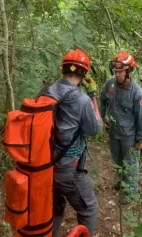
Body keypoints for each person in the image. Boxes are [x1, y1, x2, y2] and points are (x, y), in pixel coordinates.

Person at [42, 49, 104, 237]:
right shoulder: (82, 99)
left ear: (63, 70)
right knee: (89, 208)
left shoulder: (46, 91)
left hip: (44, 165)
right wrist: (93, 95)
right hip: (67, 169)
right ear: (84, 74)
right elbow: (96, 129)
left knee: (55, 207)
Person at [99, 51, 142, 204]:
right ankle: (122, 181)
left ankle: (130, 193)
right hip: (113, 131)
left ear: (129, 72)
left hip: (129, 135)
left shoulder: (138, 94)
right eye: (116, 71)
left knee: (131, 164)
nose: (117, 75)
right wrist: (101, 118)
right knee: (117, 160)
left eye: (121, 72)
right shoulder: (110, 84)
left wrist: (139, 139)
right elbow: (102, 100)